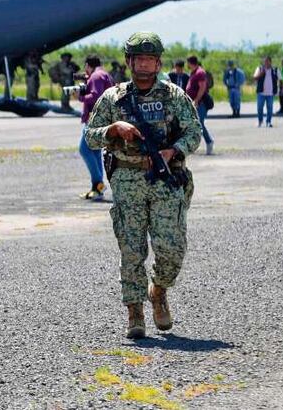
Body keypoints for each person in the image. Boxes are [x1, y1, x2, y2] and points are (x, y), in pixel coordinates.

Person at [84, 32, 201, 339]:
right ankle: (134, 311)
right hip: (127, 179)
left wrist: (173, 151)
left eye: (150, 59)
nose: (145, 65)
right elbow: (90, 137)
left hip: (165, 179)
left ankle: (158, 291)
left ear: (158, 63)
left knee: (172, 249)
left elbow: (194, 133)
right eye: (140, 59)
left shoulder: (174, 96)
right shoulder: (113, 98)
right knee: (131, 250)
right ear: (129, 62)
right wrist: (113, 128)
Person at [78, 55, 115, 200]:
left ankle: (98, 184)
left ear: (88, 65)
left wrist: (80, 96)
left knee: (84, 149)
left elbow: (95, 96)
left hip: (95, 119)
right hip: (103, 118)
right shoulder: (104, 74)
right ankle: (97, 189)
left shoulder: (95, 76)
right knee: (95, 151)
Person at [184, 56, 214, 155]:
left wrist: (196, 100)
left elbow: (202, 87)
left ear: (190, 63)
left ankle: (209, 141)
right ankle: (192, 145)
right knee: (193, 124)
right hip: (193, 103)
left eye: (187, 63)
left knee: (199, 123)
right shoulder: (193, 72)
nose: (187, 65)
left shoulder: (200, 72)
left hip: (200, 103)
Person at [253, 56, 279, 128]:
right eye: (265, 61)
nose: (266, 63)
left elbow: (280, 79)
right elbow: (254, 78)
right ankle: (260, 121)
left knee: (270, 108)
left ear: (270, 62)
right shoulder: (259, 68)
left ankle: (268, 122)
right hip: (261, 93)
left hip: (270, 93)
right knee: (260, 108)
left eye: (267, 61)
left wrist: (282, 88)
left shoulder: (275, 70)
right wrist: (261, 73)